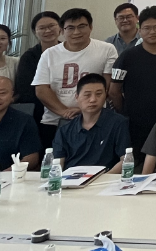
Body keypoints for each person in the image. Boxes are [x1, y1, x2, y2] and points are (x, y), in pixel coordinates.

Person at [32, 8, 118, 149]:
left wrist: (83, 110)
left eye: (82, 26)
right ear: (62, 30)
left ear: (91, 27)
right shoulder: (49, 54)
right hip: (55, 121)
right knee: (53, 160)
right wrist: (64, 112)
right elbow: (41, 89)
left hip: (94, 120)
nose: (76, 32)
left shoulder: (107, 49)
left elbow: (107, 86)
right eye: (70, 28)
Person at [110, 6, 156, 166]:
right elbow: (114, 90)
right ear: (139, 30)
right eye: (147, 28)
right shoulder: (127, 57)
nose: (152, 32)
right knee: (136, 164)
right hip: (134, 124)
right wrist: (124, 112)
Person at [54, 74, 131, 170]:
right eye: (87, 95)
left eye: (99, 94)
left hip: (105, 176)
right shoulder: (65, 130)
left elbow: (125, 160)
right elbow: (57, 164)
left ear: (105, 95)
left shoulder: (118, 123)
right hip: (71, 177)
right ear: (77, 97)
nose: (93, 99)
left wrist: (107, 176)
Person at [15, 11, 61, 131]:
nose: (47, 31)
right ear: (35, 32)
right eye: (42, 28)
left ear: (60, 27)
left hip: (69, 107)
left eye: (51, 26)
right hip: (39, 112)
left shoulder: (70, 52)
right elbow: (25, 90)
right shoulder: (29, 57)